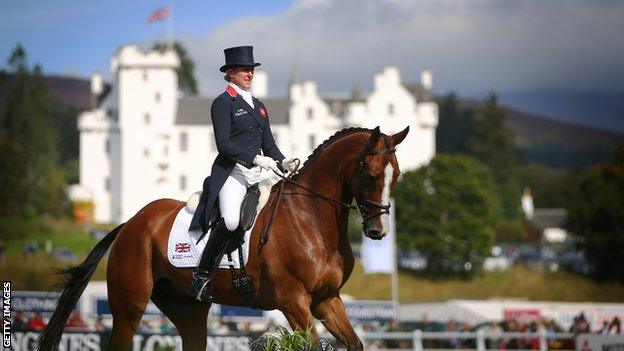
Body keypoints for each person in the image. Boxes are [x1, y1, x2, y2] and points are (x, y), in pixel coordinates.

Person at [188, 45, 297, 302]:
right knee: (231, 221)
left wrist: (283, 161)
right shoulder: (223, 103)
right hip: (232, 173)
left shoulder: (259, 106)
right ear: (230, 73)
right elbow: (223, 144)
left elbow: (269, 143)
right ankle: (202, 276)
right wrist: (256, 158)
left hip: (256, 175)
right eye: (244, 70)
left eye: (251, 69)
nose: (249, 73)